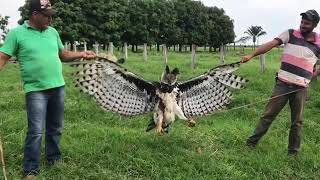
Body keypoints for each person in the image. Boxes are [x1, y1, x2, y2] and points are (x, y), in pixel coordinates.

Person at [0, 0, 96, 178]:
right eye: (46, 16)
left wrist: (82, 54)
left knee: (55, 128)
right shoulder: (17, 34)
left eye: (51, 16)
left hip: (58, 87)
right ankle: (31, 169)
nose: (50, 20)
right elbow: (3, 57)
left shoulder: (52, 33)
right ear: (35, 14)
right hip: (35, 90)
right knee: (36, 131)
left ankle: (53, 159)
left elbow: (63, 54)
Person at [241, 9, 320, 156]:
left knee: (297, 122)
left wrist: (314, 74)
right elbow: (271, 44)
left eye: (307, 23)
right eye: (302, 22)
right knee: (268, 115)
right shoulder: (290, 33)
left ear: (314, 25)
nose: (302, 25)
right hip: (282, 85)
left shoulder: (319, 41)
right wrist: (252, 55)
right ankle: (251, 143)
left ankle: (293, 153)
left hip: (300, 89)